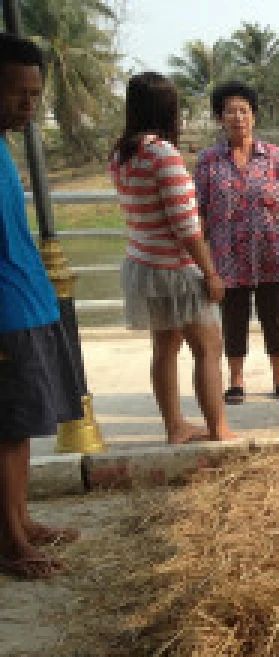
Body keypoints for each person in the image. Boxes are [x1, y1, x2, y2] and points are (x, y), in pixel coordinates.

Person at [109, 72, 234, 445]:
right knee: (208, 347)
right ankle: (218, 427)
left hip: (143, 262)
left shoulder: (122, 153)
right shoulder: (162, 153)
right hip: (175, 269)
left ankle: (175, 427)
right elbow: (186, 225)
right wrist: (210, 272)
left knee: (164, 348)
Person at [0, 34, 84, 579]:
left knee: (22, 426)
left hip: (27, 306)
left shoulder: (4, 147)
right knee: (6, 431)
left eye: (34, 94)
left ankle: (20, 520)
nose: (27, 105)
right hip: (5, 314)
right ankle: (10, 542)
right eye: (16, 93)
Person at [194, 81, 279, 405]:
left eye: (244, 110)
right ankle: (236, 379)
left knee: (276, 317)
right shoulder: (208, 161)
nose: (238, 117)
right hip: (227, 257)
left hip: (272, 253)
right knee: (233, 319)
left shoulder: (276, 158)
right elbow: (197, 211)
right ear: (220, 118)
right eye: (230, 111)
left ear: (254, 116)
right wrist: (199, 260)